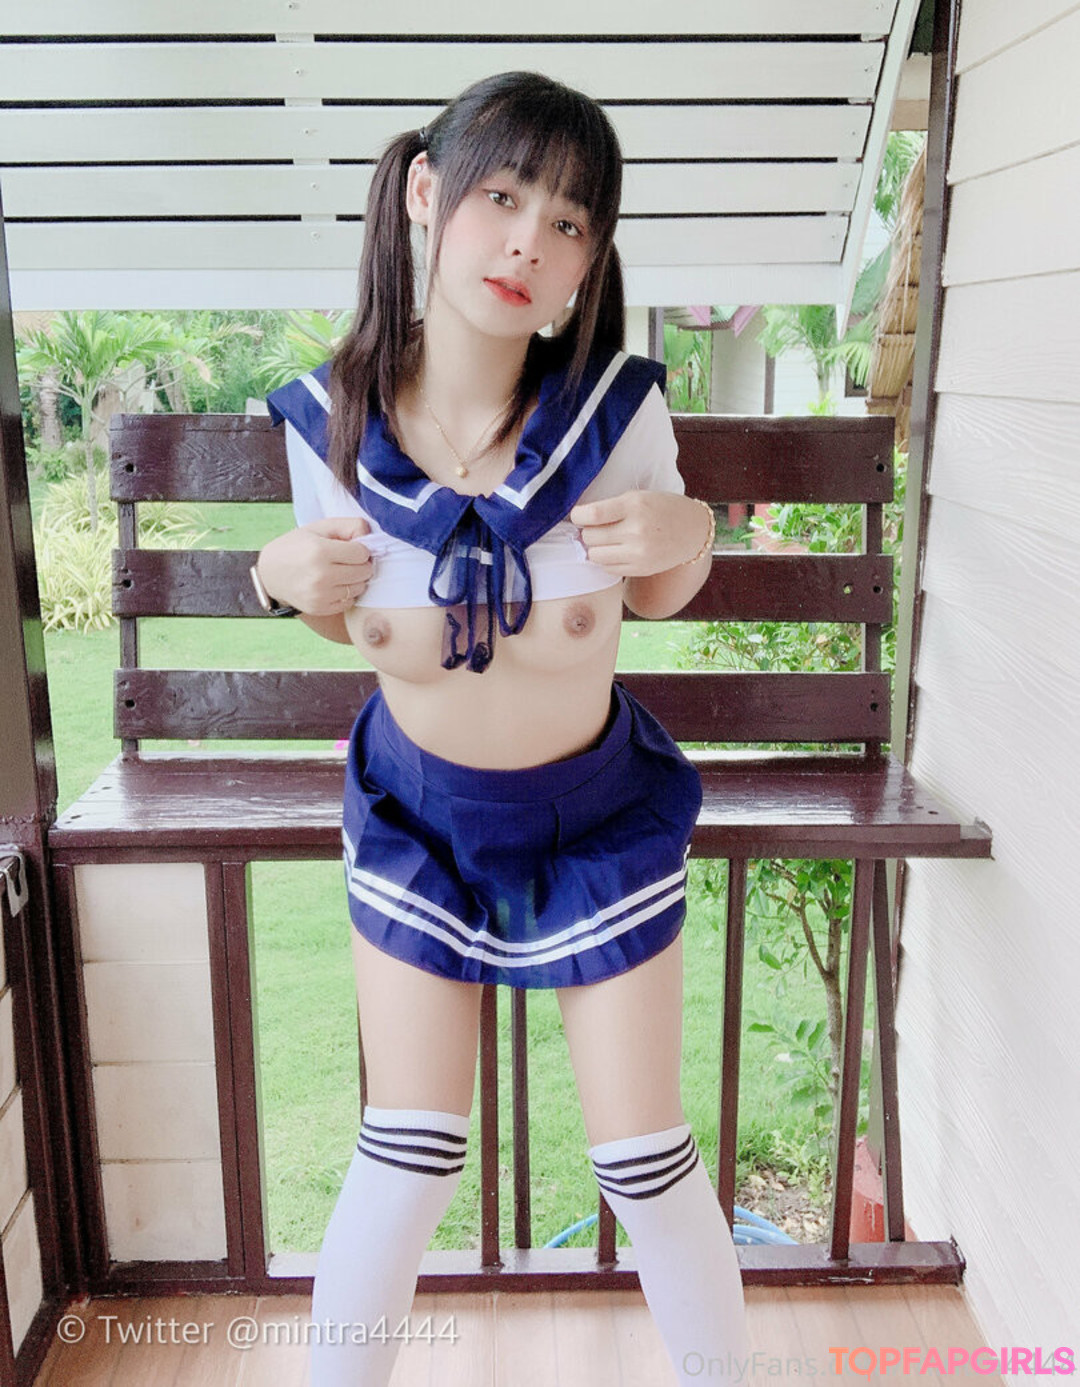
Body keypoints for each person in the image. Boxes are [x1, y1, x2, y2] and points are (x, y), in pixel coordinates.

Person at [255, 70, 748, 1387]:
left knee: (645, 1162)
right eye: (504, 196)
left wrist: (694, 529)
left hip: (596, 819)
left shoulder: (615, 414)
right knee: (406, 1157)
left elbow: (662, 588)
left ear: (593, 260)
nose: (531, 240)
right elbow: (350, 621)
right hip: (419, 819)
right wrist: (276, 578)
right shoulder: (328, 422)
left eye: (571, 221)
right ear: (428, 193)